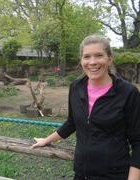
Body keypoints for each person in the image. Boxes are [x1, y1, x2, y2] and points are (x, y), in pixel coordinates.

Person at [31, 34, 140, 180]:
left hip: (114, 174)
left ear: (109, 59)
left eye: (99, 55)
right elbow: (72, 122)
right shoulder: (76, 87)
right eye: (87, 56)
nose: (92, 62)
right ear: (81, 61)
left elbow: (138, 142)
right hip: (82, 173)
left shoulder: (127, 92)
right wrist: (46, 140)